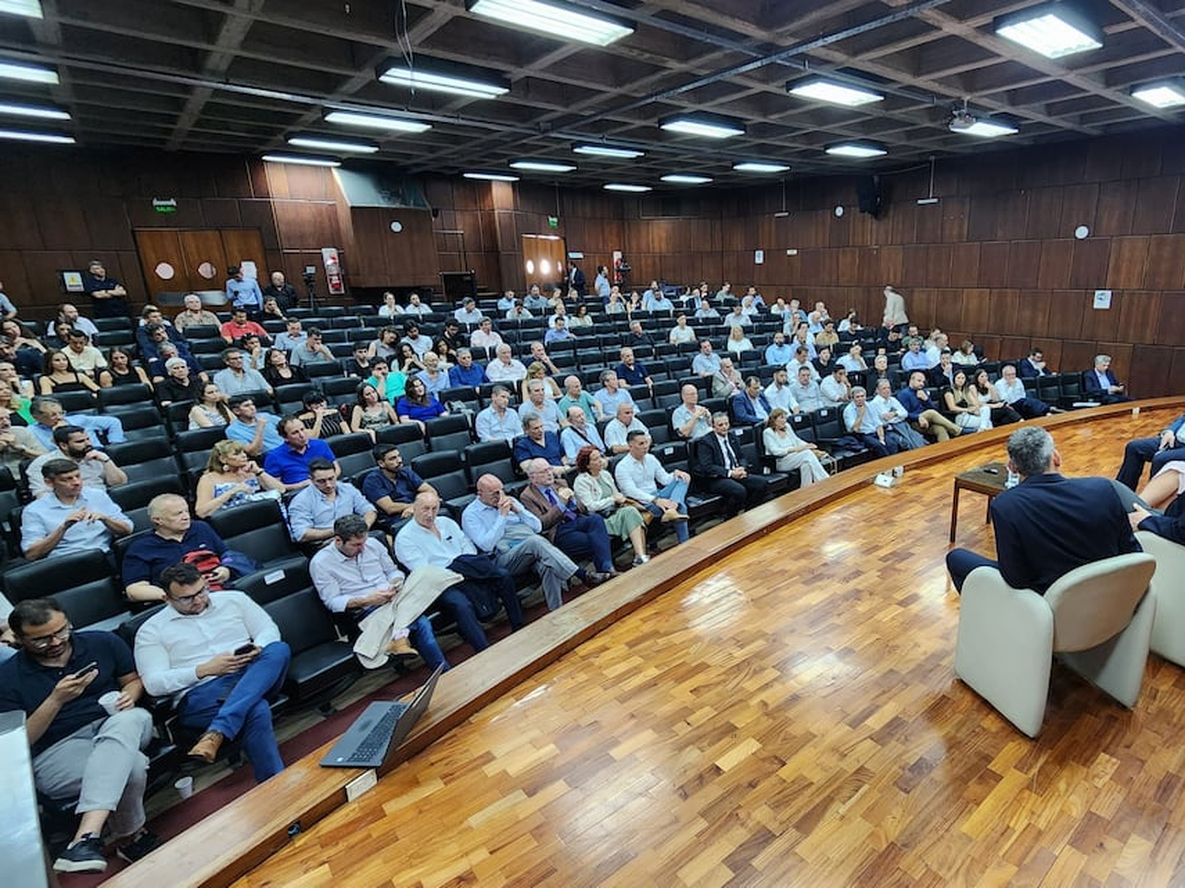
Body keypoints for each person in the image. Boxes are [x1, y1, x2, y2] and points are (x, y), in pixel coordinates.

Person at [0, 598, 158, 873]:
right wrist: (55, 700)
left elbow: (132, 680)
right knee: (130, 766)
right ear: (19, 639)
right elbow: (19, 742)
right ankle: (130, 837)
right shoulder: (7, 676)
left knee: (130, 718)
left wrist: (128, 696)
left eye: (61, 631)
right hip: (57, 749)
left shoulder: (100, 642)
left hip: (117, 723)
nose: (56, 641)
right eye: (41, 640)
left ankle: (86, 837)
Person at [135, 562, 289, 780]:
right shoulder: (151, 631)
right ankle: (276, 783)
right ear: (167, 599)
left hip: (252, 673)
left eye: (201, 591)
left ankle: (217, 731)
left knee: (278, 649)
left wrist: (258, 647)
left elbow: (268, 628)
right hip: (203, 693)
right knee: (256, 708)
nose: (198, 600)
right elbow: (154, 683)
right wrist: (203, 670)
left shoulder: (234, 599)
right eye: (187, 598)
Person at [946, 427, 1141, 593]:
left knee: (956, 558)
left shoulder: (1006, 505)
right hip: (1112, 598)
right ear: (1056, 457)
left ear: (1012, 467)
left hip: (1047, 605)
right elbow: (1132, 550)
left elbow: (1016, 579)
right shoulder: (1103, 488)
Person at [395, 491, 524, 650]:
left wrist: (464, 565)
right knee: (460, 604)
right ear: (414, 508)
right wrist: (458, 567)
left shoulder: (446, 522)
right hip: (440, 584)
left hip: (467, 568)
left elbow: (467, 545)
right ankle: (483, 649)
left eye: (434, 509)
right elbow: (423, 571)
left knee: (503, 575)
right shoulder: (405, 538)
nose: (430, 514)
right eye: (425, 509)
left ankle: (518, 625)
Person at [310, 515, 443, 667]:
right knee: (421, 622)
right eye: (356, 545)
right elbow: (332, 601)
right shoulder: (321, 563)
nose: (362, 548)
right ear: (338, 540)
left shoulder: (372, 544)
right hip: (365, 609)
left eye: (364, 542)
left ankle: (401, 643)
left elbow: (393, 571)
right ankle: (440, 668)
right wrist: (368, 600)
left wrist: (395, 583)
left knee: (423, 598)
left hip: (393, 597)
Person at [462, 474, 590, 611]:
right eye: (494, 493)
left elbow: (538, 527)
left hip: (528, 547)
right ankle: (582, 575)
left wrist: (519, 511)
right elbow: (486, 546)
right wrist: (502, 516)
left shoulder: (510, 501)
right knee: (535, 541)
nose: (500, 496)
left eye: (501, 490)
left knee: (547, 565)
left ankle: (557, 610)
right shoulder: (470, 514)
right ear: (480, 493)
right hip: (502, 556)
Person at [120, 494, 241, 602]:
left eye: (186, 511)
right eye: (178, 514)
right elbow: (134, 590)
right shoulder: (141, 547)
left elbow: (226, 555)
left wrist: (226, 570)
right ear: (158, 520)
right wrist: (174, 595)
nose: (186, 517)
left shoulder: (201, 528)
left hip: (221, 591)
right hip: (181, 603)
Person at [20, 458, 130, 560]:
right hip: (65, 562)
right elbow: (31, 554)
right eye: (67, 479)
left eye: (78, 476)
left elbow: (128, 529)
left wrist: (106, 520)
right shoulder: (34, 510)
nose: (76, 482)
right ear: (49, 482)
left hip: (104, 556)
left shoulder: (97, 495)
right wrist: (63, 528)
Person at [571, 446, 649, 565]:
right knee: (631, 513)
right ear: (587, 465)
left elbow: (616, 493)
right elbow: (590, 507)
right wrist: (612, 499)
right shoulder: (581, 481)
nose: (600, 461)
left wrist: (619, 499)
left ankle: (640, 555)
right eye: (596, 459)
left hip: (615, 511)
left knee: (632, 512)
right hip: (599, 520)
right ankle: (640, 556)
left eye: (600, 457)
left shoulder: (605, 474)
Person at [614, 431, 691, 543]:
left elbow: (664, 479)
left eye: (646, 442)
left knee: (682, 478)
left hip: (658, 494)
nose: (645, 446)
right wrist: (655, 500)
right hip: (641, 503)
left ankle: (673, 508)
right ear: (630, 446)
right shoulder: (622, 467)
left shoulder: (651, 458)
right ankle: (685, 542)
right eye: (641, 444)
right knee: (681, 507)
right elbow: (630, 491)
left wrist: (676, 473)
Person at [691, 413, 769, 515]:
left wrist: (742, 468)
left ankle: (749, 512)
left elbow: (741, 457)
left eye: (726, 424)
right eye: (720, 425)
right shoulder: (706, 442)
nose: (724, 427)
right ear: (713, 427)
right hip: (717, 478)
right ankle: (730, 517)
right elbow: (707, 467)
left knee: (762, 483)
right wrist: (730, 473)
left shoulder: (732, 437)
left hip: (736, 472)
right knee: (739, 491)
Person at [287, 459, 375, 545]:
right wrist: (340, 532)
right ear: (311, 479)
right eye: (321, 481)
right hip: (325, 542)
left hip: (356, 536)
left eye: (331, 479)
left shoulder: (348, 488)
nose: (328, 485)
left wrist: (363, 528)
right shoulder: (301, 501)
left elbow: (369, 510)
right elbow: (301, 534)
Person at [27, 425, 127, 498]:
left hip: (104, 501)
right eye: (80, 442)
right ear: (63, 446)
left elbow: (119, 484)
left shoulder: (96, 456)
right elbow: (42, 496)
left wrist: (106, 461)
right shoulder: (41, 464)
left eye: (88, 439)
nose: (88, 444)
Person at [194, 440, 284, 518]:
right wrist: (232, 492)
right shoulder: (208, 479)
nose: (244, 456)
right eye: (237, 454)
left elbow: (281, 490)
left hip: (259, 514)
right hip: (233, 520)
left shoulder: (250, 472)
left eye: (243, 452)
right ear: (223, 459)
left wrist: (258, 471)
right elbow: (201, 512)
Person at [362, 443, 433, 524]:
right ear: (381, 463)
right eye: (393, 459)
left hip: (415, 510)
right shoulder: (372, 481)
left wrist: (418, 506)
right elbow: (390, 507)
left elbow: (430, 490)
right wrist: (416, 506)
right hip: (395, 518)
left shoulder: (406, 472)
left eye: (399, 456)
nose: (399, 460)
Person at [263, 415, 339, 489]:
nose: (302, 435)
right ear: (285, 438)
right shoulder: (274, 457)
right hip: (300, 493)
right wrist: (300, 485)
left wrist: (327, 482)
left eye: (302, 429)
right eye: (295, 433)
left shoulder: (320, 444)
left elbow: (337, 469)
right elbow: (276, 488)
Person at [1115, 410, 1185, 491]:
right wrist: (1170, 431)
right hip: (1175, 439)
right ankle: (1123, 494)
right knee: (1134, 447)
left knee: (1160, 459)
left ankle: (1150, 500)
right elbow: (1183, 418)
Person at [28, 396, 124, 451]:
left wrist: (115, 446)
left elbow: (113, 422)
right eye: (53, 415)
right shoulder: (30, 432)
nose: (60, 417)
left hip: (98, 453)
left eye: (61, 413)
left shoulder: (78, 420)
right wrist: (58, 434)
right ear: (36, 417)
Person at [762, 408, 828, 484]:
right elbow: (775, 451)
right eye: (782, 418)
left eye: (785, 418)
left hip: (795, 457)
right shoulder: (768, 432)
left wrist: (807, 445)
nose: (784, 420)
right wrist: (794, 449)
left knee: (806, 465)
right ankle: (825, 481)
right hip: (782, 461)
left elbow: (797, 440)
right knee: (807, 454)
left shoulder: (787, 427)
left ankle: (806, 490)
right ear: (774, 419)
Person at [896, 371, 960, 443]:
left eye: (923, 382)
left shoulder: (923, 392)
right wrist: (918, 417)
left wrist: (926, 400)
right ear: (911, 380)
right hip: (913, 422)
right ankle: (957, 430)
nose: (921, 383)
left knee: (940, 429)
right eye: (919, 381)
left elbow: (934, 410)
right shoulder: (903, 394)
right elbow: (905, 414)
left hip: (928, 420)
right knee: (930, 413)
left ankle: (947, 450)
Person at [869, 378, 926, 450]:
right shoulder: (874, 403)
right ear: (877, 390)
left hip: (903, 425)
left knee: (919, 438)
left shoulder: (893, 399)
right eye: (884, 388)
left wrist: (894, 414)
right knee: (907, 443)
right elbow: (886, 419)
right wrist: (898, 415)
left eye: (888, 388)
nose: (887, 390)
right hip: (890, 429)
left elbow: (905, 413)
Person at [843, 386, 899, 458]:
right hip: (862, 435)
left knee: (891, 443)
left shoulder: (870, 405)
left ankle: (896, 463)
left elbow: (878, 424)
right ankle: (888, 465)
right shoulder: (848, 410)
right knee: (878, 446)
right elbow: (855, 430)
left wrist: (881, 438)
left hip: (875, 432)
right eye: (857, 397)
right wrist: (860, 416)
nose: (860, 399)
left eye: (862, 396)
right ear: (853, 398)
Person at [0, 405, 45, 474]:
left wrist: (21, 448)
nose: (6, 423)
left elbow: (45, 457)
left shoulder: (21, 431)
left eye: (8, 418)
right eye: (0, 419)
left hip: (22, 476)